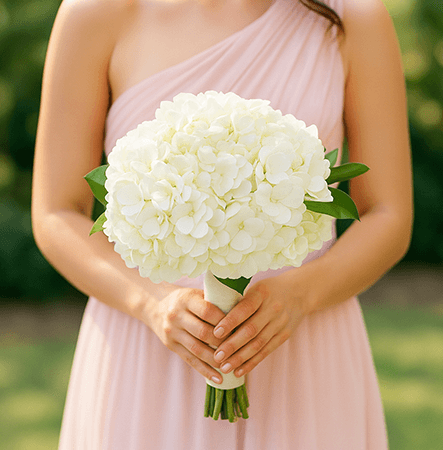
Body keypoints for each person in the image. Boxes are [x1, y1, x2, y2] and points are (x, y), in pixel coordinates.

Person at [32, 0, 412, 448]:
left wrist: (301, 295)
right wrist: (152, 303)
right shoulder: (95, 13)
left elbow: (389, 214)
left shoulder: (355, 17)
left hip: (304, 345)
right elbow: (58, 212)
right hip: (149, 351)